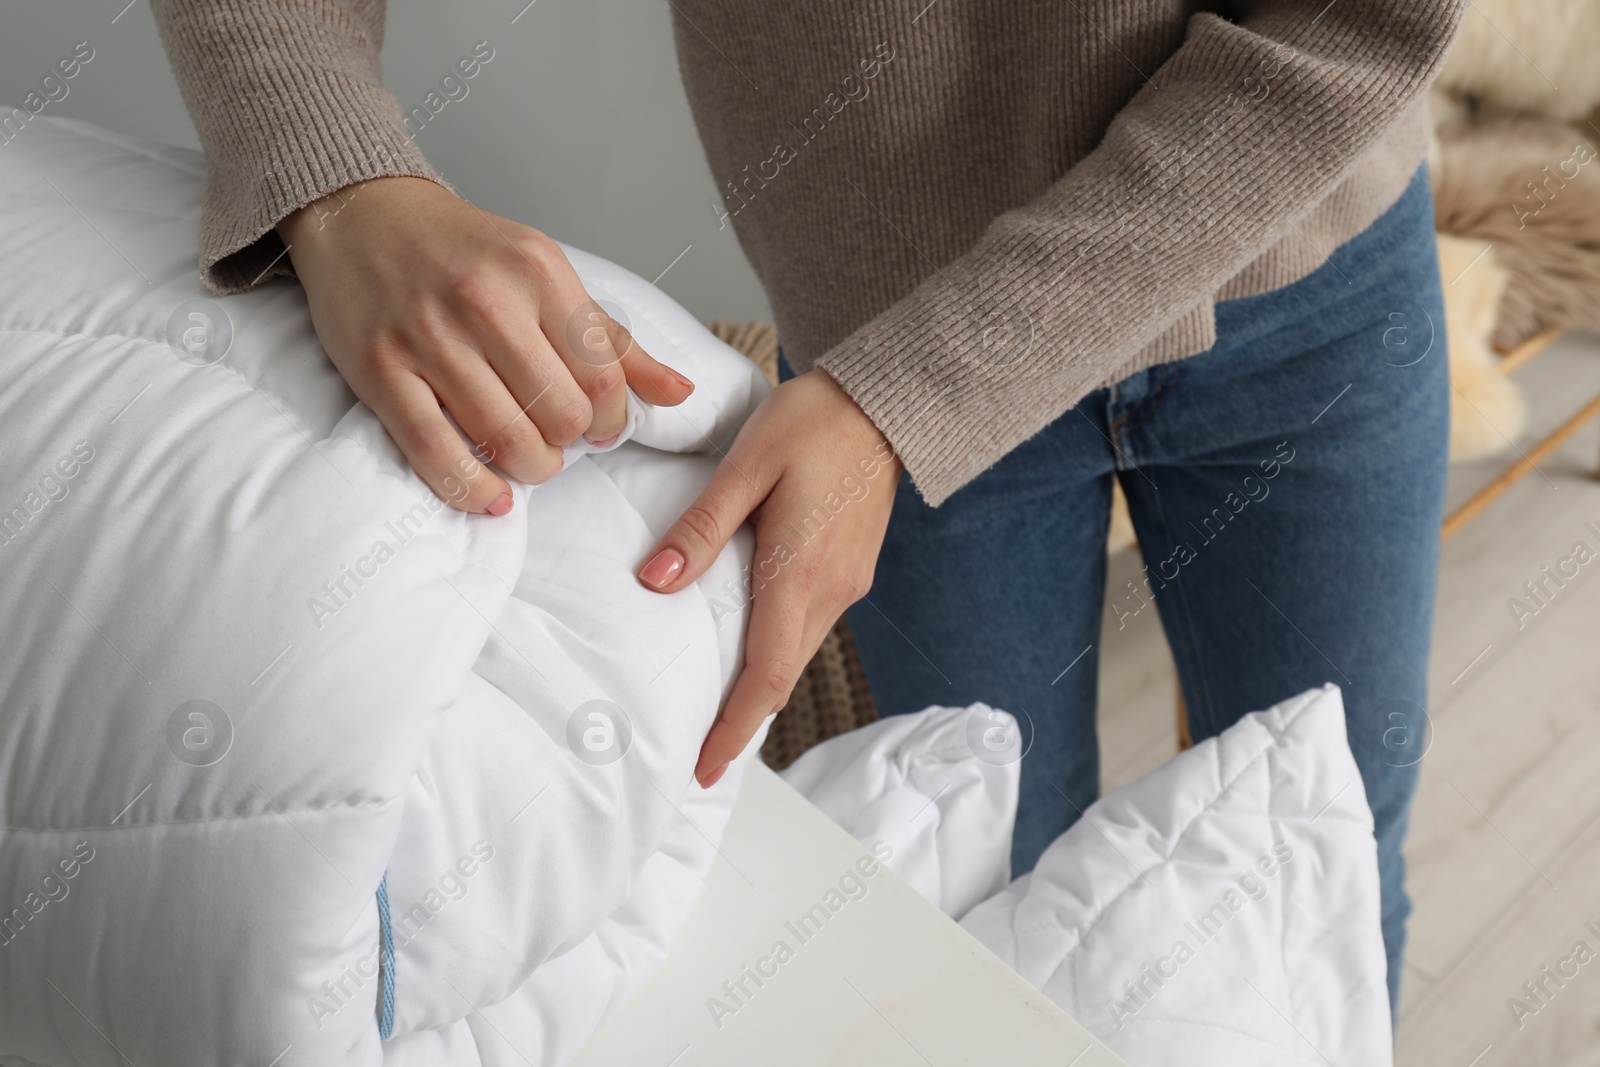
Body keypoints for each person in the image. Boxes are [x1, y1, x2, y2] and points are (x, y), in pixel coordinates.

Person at [150, 0, 1467, 1013]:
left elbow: (1365, 23)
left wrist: (919, 388)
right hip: (879, 362)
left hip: (1305, 283)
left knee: (1338, 868)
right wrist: (337, 174)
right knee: (987, 918)